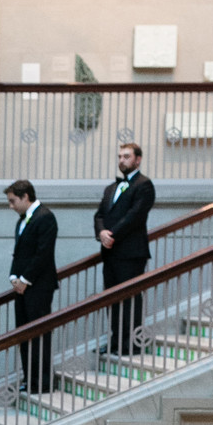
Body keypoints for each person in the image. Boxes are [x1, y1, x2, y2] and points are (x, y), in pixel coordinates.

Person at [94, 141, 156, 357]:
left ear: (138, 159)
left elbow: (135, 216)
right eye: (120, 156)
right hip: (110, 252)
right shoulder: (111, 188)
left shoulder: (144, 185)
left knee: (129, 299)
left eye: (127, 156)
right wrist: (101, 233)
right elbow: (99, 215)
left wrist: (112, 234)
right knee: (112, 299)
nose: (122, 160)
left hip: (131, 252)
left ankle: (131, 344)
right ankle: (115, 341)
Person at [6, 179, 58, 393]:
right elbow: (19, 253)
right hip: (23, 286)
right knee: (24, 335)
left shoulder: (45, 217)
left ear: (25, 196)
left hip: (39, 286)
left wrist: (25, 280)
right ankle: (30, 378)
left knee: (38, 334)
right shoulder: (22, 220)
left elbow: (43, 253)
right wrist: (14, 277)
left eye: (12, 201)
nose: (11, 206)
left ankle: (42, 381)